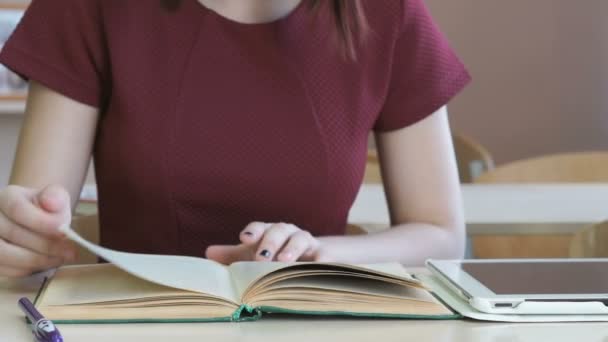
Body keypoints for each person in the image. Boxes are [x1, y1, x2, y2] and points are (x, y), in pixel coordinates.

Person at [0, 0, 470, 278]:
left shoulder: (389, 13)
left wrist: (319, 255)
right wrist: (23, 235)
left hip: (314, 325)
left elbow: (441, 234)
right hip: (134, 325)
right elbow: (34, 230)